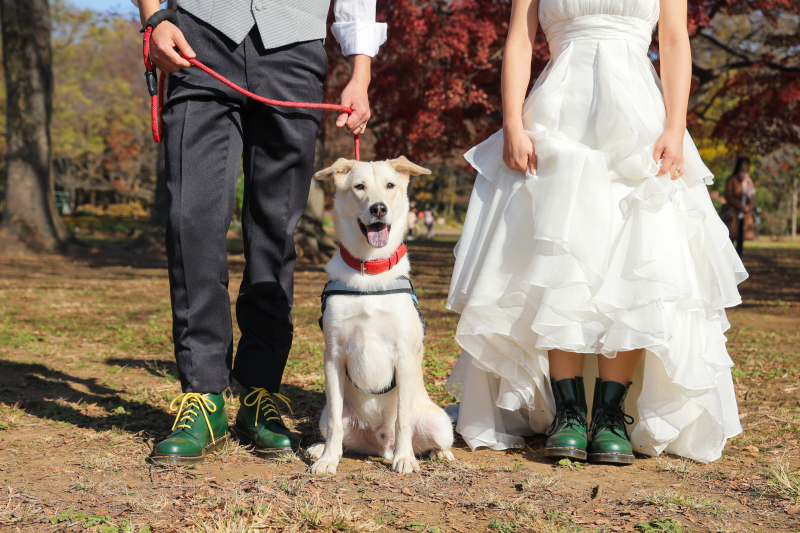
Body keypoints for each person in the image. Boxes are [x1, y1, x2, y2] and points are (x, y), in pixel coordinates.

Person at [444, 0, 747, 465]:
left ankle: (610, 411)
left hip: (639, 122)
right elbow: (520, 40)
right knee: (560, 255)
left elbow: (673, 40)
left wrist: (675, 124)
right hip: (557, 115)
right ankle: (568, 410)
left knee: (634, 258)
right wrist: (511, 123)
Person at [134, 0, 386, 464]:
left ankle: (259, 392)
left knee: (275, 229)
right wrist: (155, 17)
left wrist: (360, 73)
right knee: (192, 217)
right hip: (199, 39)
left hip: (293, 51)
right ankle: (204, 396)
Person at [721, 157, 756, 256]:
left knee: (741, 238)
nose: (747, 166)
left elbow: (752, 198)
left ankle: (739, 260)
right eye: (744, 164)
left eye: (748, 164)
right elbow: (729, 195)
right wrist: (741, 206)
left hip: (744, 215)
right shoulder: (732, 180)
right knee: (731, 237)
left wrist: (748, 207)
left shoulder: (749, 181)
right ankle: (729, 260)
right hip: (733, 213)